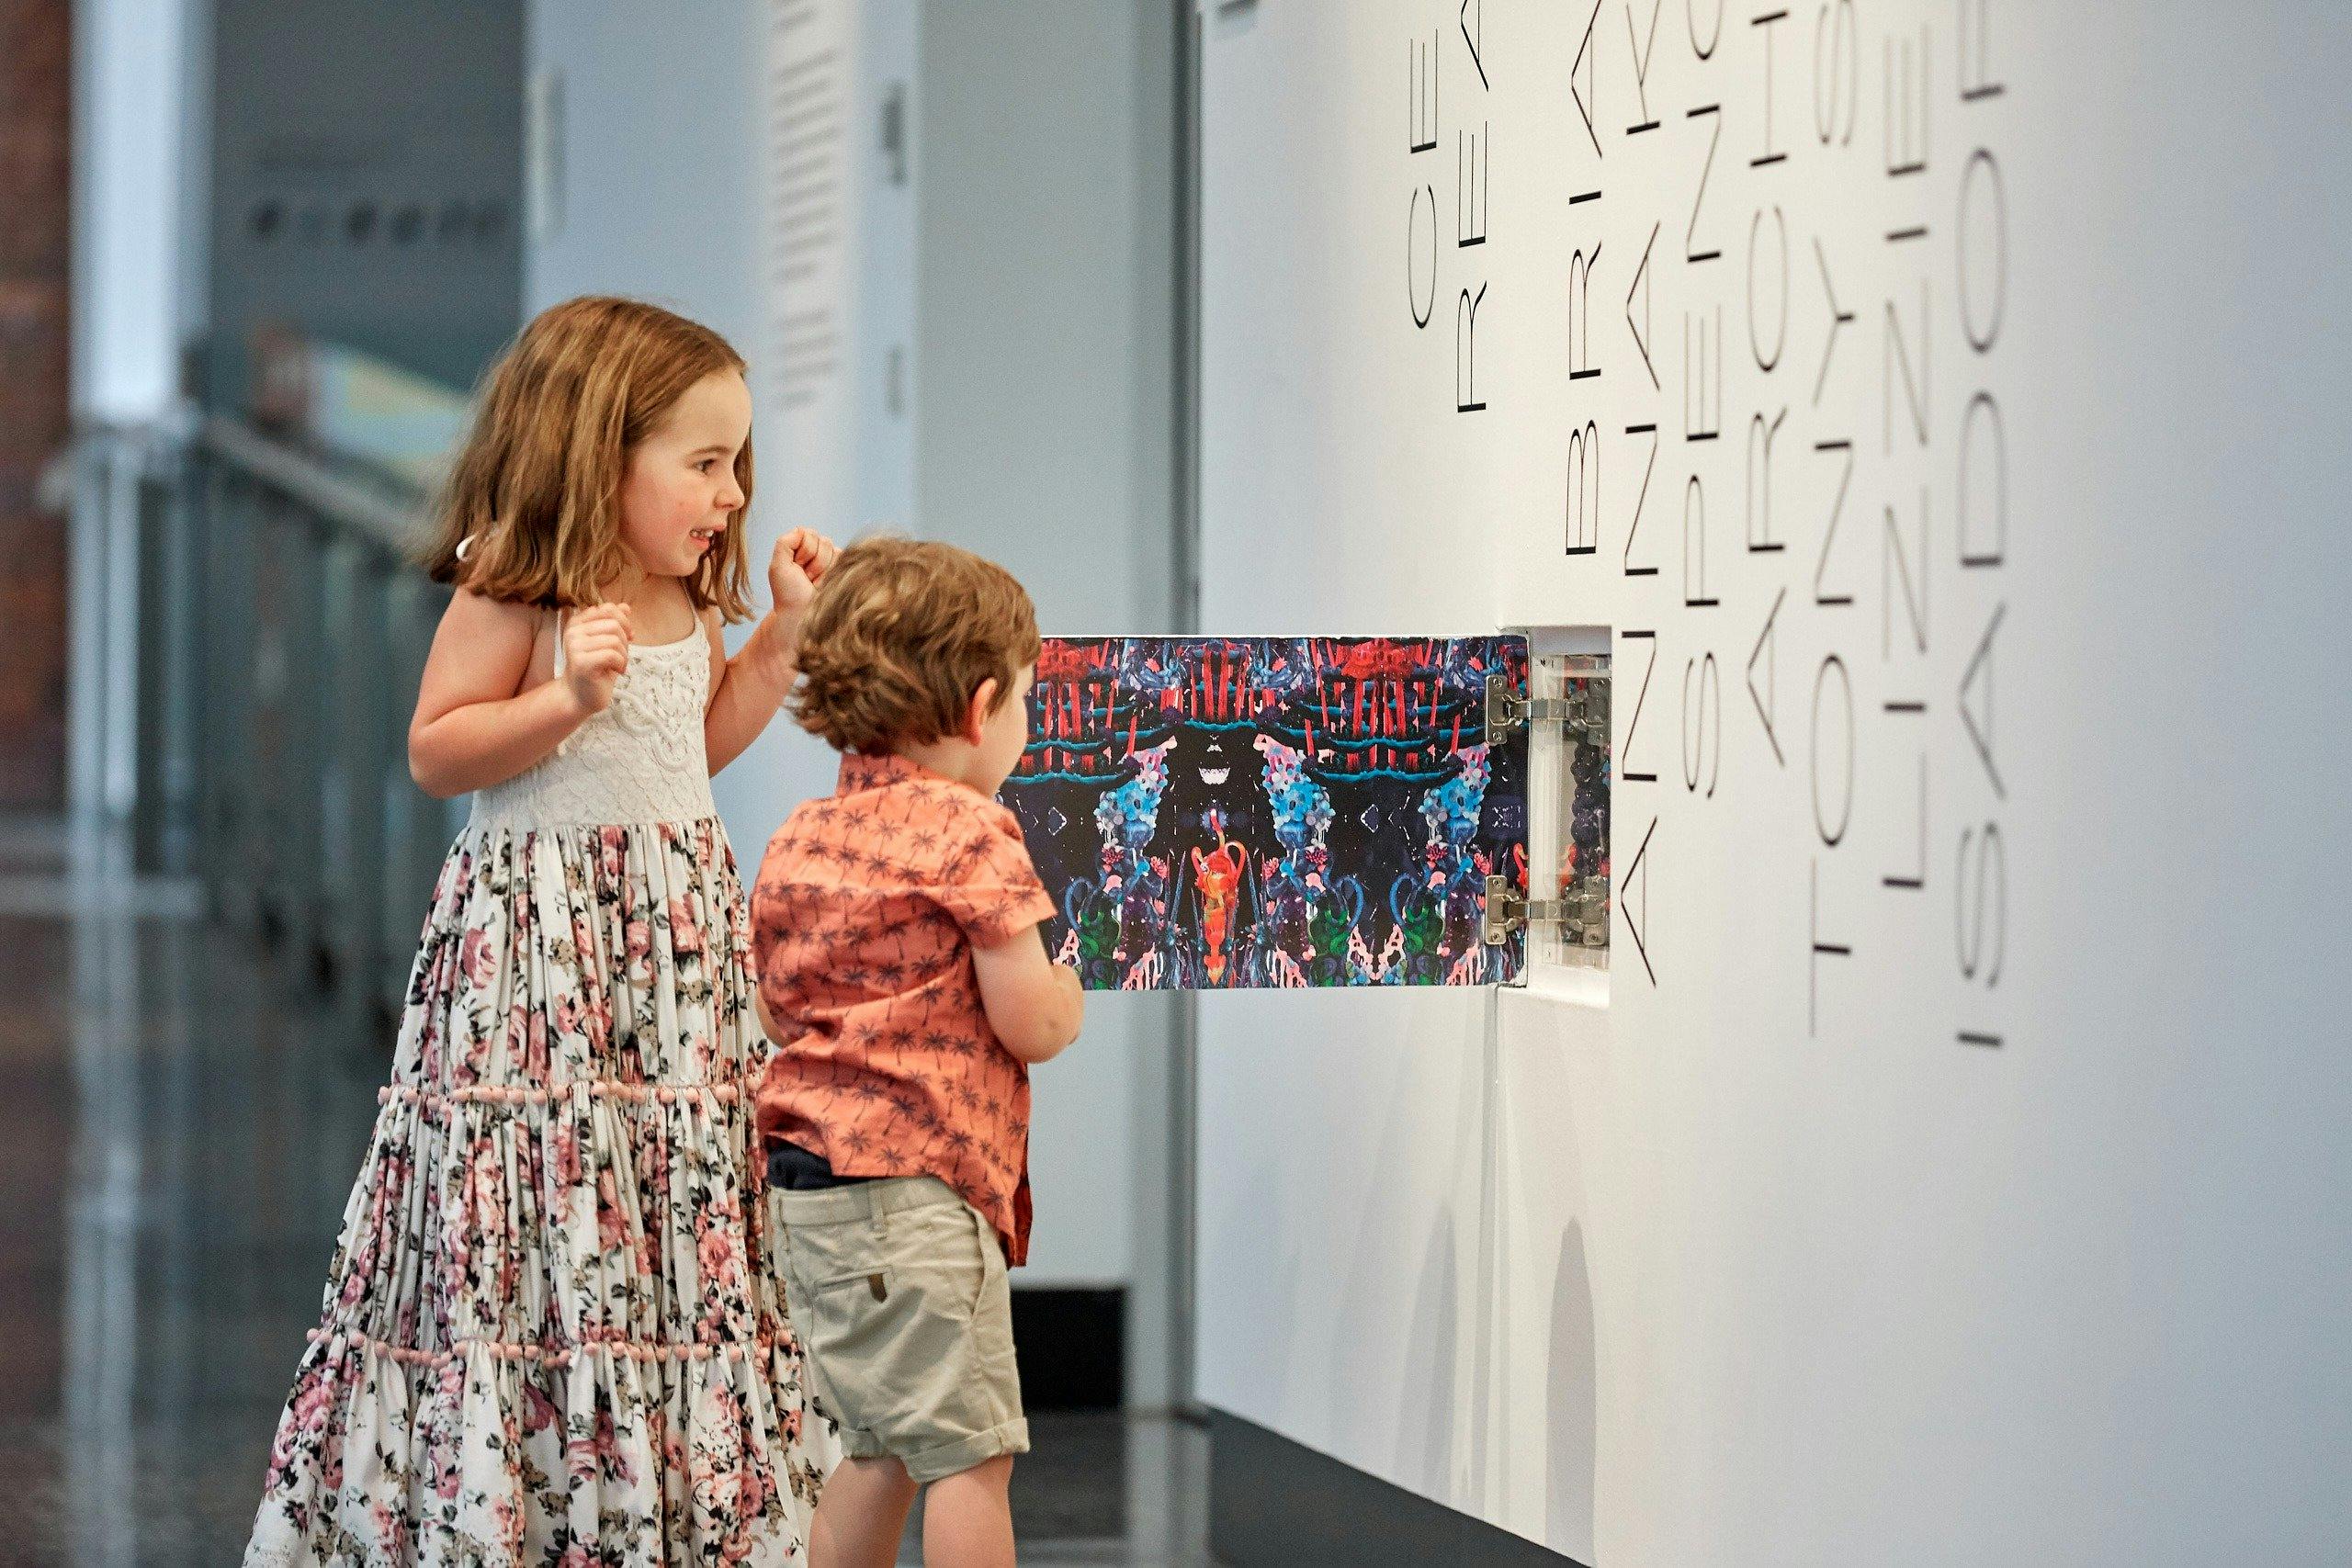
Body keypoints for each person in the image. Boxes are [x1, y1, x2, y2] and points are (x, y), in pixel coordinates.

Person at [244, 296, 840, 1565]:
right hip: (542, 948)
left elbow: (699, 741)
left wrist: (782, 632)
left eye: (737, 461)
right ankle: (518, 1494)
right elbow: (437, 746)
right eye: (703, 461)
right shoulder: (516, 586)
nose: (731, 492)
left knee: (664, 1208)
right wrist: (566, 695)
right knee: (537, 1205)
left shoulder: (684, 595)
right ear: (596, 450)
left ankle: (659, 1507)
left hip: (672, 950)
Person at [748, 537, 1085, 1568]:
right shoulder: (973, 833)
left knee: (878, 1445)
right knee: (970, 1459)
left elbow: (775, 1009)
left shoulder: (805, 833)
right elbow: (1031, 1017)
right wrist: (1068, 992)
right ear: (982, 708)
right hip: (920, 1195)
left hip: (810, 1192)